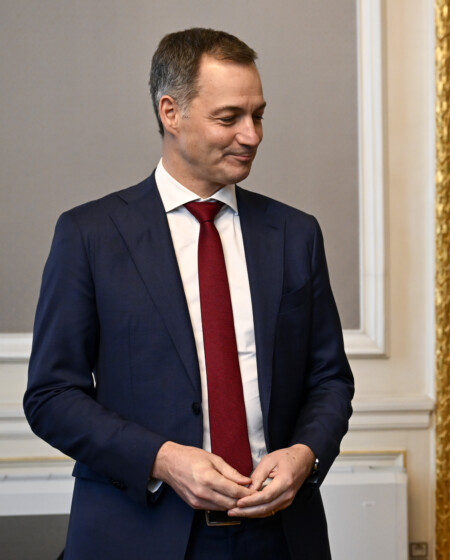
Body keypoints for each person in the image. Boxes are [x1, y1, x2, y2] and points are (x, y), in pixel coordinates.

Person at [23, 28, 354, 560]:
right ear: (170, 112)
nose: (252, 135)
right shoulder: (89, 235)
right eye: (230, 118)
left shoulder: (296, 234)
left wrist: (304, 454)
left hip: (280, 536)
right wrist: (162, 458)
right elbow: (50, 397)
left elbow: (330, 379)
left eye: (259, 115)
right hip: (136, 532)